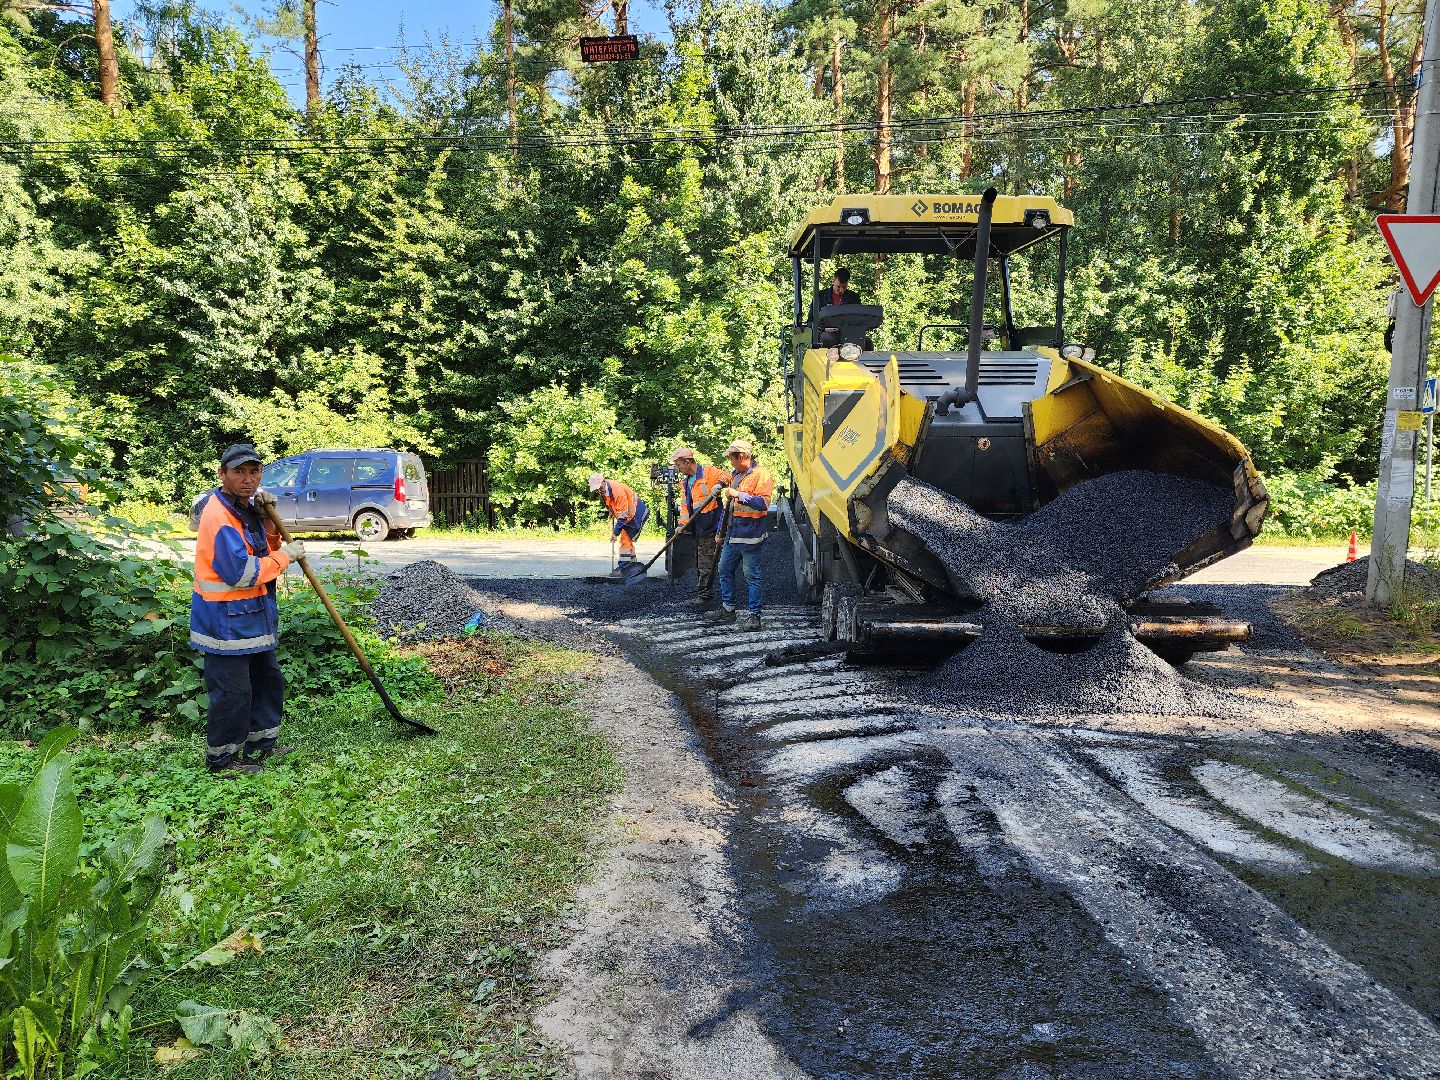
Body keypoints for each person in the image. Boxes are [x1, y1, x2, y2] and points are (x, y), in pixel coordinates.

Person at [191, 444, 304, 777]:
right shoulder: (219, 515)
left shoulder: (245, 508)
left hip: (252, 619)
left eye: (254, 471)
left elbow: (261, 549)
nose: (248, 478)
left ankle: (261, 744)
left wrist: (268, 523)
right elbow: (241, 573)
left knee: (267, 681)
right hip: (225, 624)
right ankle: (222, 761)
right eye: (239, 471)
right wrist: (287, 557)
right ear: (222, 474)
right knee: (233, 694)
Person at [706, 439, 775, 632]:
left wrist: (738, 495)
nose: (731, 463)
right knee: (724, 570)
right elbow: (728, 508)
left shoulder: (762, 475)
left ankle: (755, 616)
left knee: (752, 576)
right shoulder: (737, 474)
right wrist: (721, 531)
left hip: (750, 536)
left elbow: (763, 504)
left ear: (743, 457)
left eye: (732, 459)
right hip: (732, 535)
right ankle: (728, 610)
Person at [670, 447, 730, 607]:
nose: (677, 468)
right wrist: (681, 525)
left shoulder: (708, 472)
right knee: (701, 560)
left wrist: (718, 485)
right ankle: (705, 590)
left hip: (711, 525)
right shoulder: (685, 482)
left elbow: (727, 476)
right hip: (698, 527)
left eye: (678, 464)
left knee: (705, 561)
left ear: (687, 462)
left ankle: (705, 595)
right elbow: (685, 506)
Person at [590, 472, 649, 571]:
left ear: (604, 482)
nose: (599, 491)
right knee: (627, 540)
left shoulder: (617, 491)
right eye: (596, 489)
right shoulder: (604, 490)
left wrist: (615, 533)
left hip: (636, 515)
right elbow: (611, 504)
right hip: (626, 516)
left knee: (625, 540)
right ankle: (632, 567)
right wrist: (612, 512)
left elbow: (623, 515)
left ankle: (624, 567)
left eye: (600, 488)